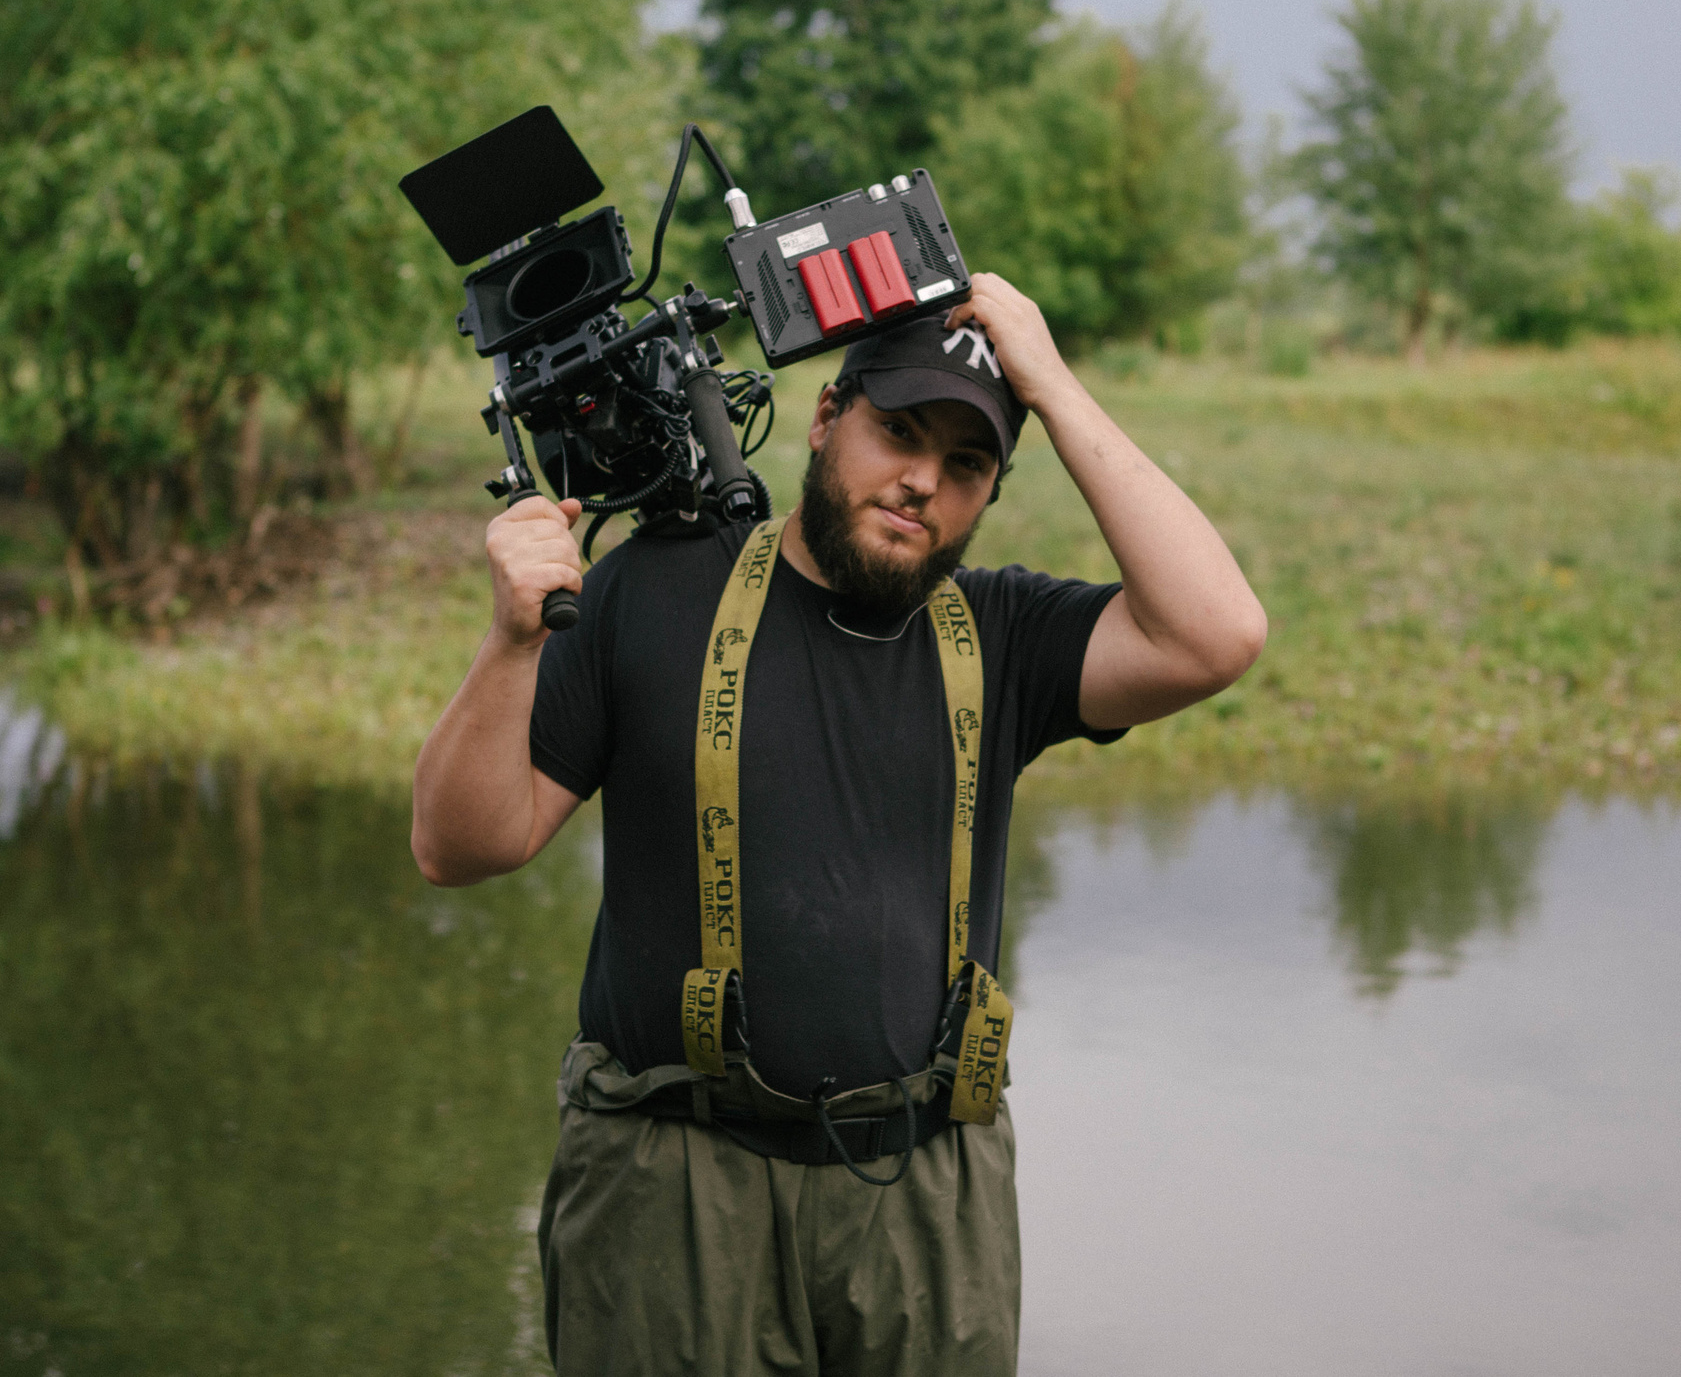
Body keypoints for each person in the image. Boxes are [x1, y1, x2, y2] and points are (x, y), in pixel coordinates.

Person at [411, 273, 1266, 1376]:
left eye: (967, 464)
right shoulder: (652, 590)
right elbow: (459, 847)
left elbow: (1217, 633)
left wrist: (1052, 384)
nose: (922, 481)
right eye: (898, 431)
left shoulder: (1000, 633)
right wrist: (512, 643)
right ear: (826, 418)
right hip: (675, 1185)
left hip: (923, 1191)